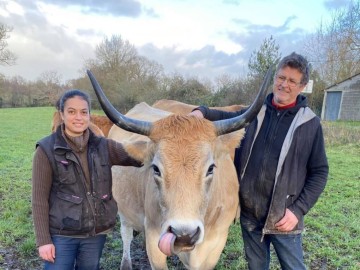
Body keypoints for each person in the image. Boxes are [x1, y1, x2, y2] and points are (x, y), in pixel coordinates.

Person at [190, 52, 329, 269]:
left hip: (284, 218)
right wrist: (202, 112)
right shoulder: (256, 113)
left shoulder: (310, 123)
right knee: (256, 266)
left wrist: (298, 210)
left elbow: (320, 172)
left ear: (302, 86)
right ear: (275, 78)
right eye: (281, 78)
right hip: (250, 215)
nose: (284, 84)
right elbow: (226, 117)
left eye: (292, 81)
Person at [32, 89, 143, 270]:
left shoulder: (103, 145)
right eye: (71, 111)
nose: (78, 117)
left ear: (89, 115)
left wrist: (165, 146)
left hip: (94, 234)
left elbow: (136, 155)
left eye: (84, 112)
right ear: (61, 114)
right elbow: (39, 201)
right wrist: (43, 241)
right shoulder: (45, 150)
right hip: (62, 234)